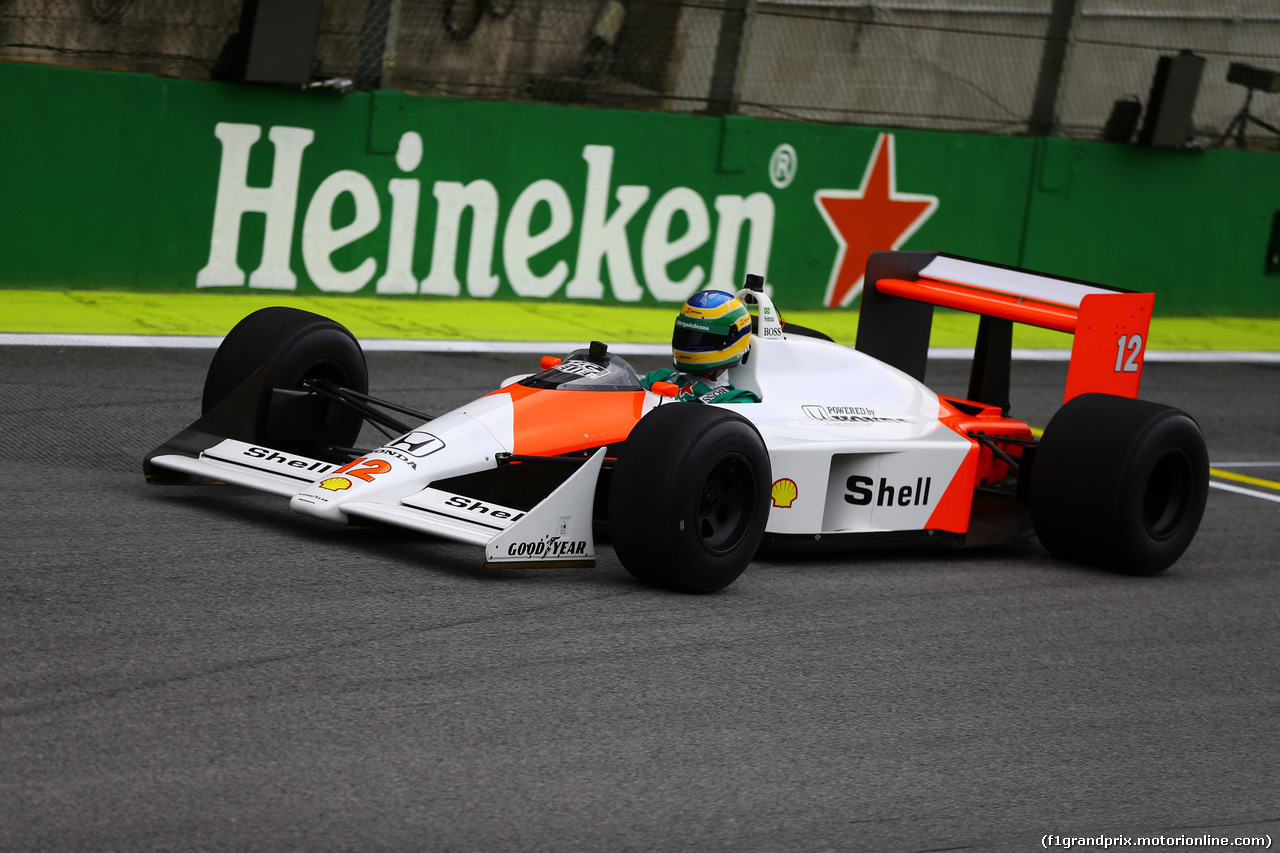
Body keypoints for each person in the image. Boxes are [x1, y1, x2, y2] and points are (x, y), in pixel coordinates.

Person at [641, 290, 762, 404]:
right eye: (686, 335)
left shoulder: (734, 400)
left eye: (703, 337)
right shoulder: (658, 377)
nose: (690, 343)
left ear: (730, 340)